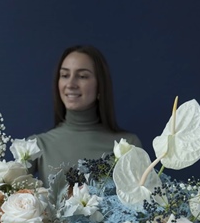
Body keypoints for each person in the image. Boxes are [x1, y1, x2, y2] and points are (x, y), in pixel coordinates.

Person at [28, 45, 142, 187]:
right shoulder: (37, 145)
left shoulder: (128, 145)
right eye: (64, 75)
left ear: (100, 85)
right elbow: (3, 196)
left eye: (82, 76)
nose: (70, 84)